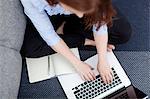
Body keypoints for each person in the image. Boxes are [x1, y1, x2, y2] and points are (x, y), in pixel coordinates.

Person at [20, 0, 131, 84]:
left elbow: (99, 18)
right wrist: (78, 64)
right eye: (76, 11)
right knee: (30, 48)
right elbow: (49, 36)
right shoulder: (33, 1)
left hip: (85, 6)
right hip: (51, 16)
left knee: (123, 34)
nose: (80, 15)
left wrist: (102, 59)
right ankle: (83, 39)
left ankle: (67, 29)